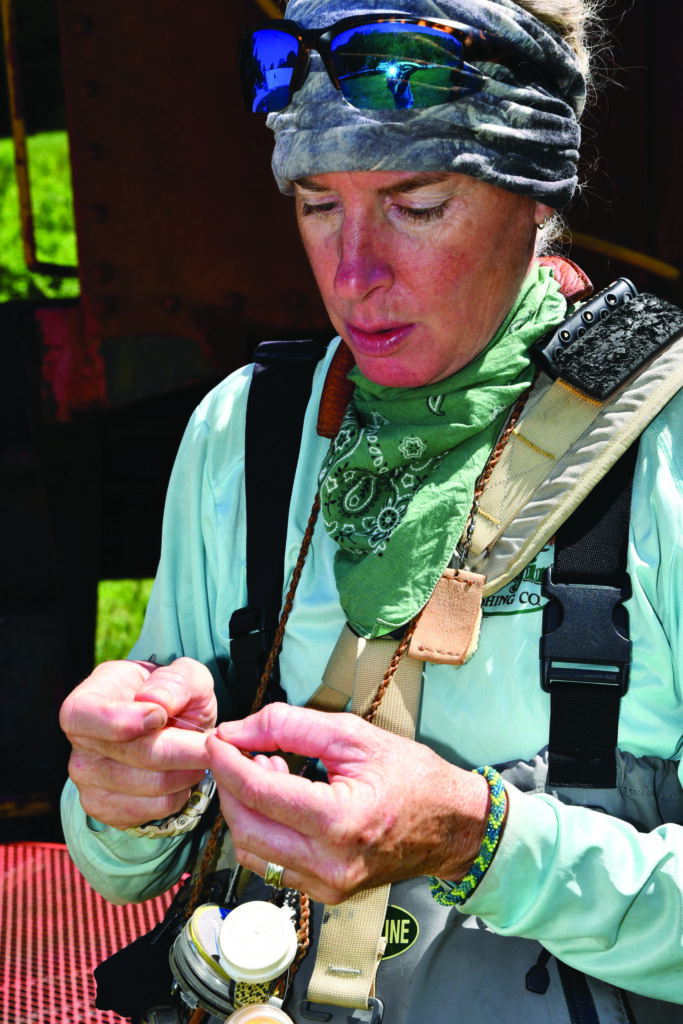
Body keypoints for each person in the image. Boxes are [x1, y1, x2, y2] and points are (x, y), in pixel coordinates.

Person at [59, 0, 683, 1021]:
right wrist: (125, 796)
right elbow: (122, 869)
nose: (351, 276)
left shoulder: (656, 455)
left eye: (416, 203)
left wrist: (480, 840)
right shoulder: (243, 436)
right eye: (315, 203)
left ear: (536, 195)